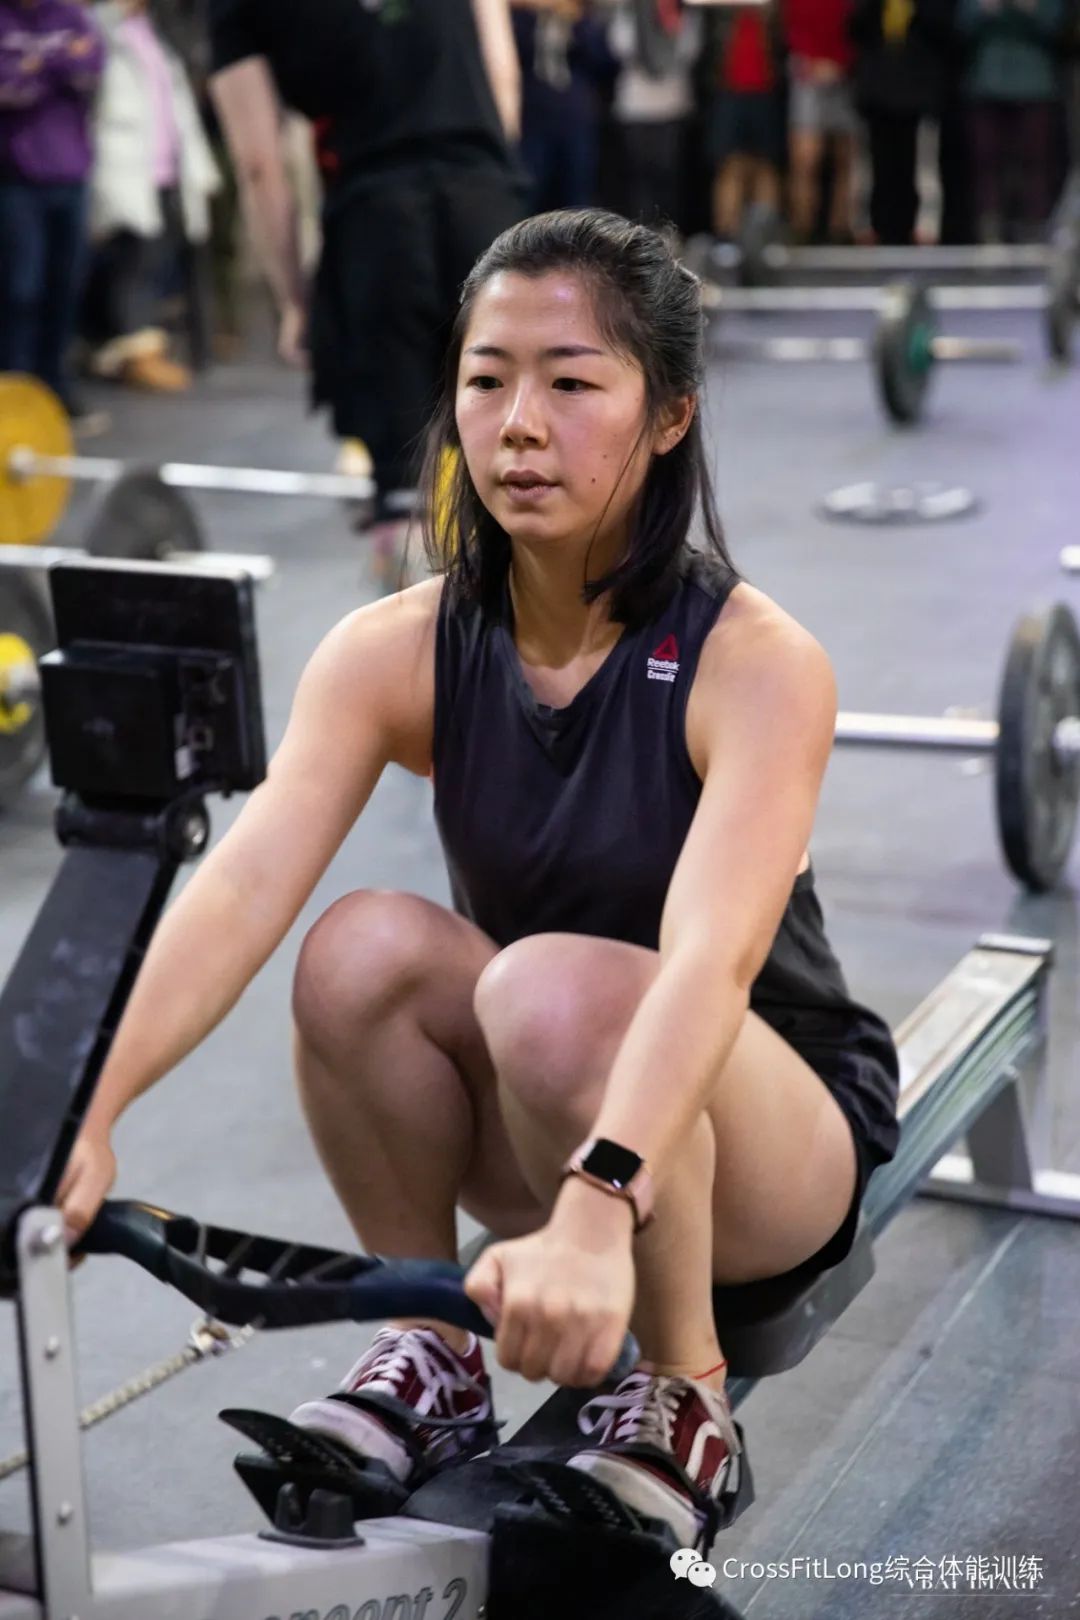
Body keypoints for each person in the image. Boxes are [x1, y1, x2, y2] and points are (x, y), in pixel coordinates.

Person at [58, 209, 900, 1556]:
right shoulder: (396, 649)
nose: (516, 424)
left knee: (554, 984)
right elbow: (245, 884)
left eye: (571, 383)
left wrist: (591, 1205)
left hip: (761, 1144)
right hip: (548, 1093)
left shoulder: (756, 663)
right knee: (358, 949)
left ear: (670, 413)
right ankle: (435, 1355)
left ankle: (685, 1391)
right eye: (487, 377)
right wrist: (76, 1116)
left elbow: (705, 965)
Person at [205, 0, 526, 586]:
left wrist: (297, 302)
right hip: (486, 211)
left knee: (404, 489)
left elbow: (259, 165)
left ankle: (417, 660)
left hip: (376, 234)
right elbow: (503, 77)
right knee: (521, 451)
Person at [82, 0, 220, 392]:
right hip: (126, 166)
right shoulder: (100, 28)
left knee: (156, 267)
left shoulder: (154, 32)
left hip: (166, 168)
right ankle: (131, 357)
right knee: (132, 269)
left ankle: (144, 351)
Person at [0, 0, 106, 432]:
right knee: (21, 290)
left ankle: (54, 388)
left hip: (70, 174)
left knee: (64, 286)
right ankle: (14, 391)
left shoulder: (72, 15)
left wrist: (35, 66)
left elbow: (91, 68)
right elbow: (9, 88)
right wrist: (59, 61)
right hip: (16, 177)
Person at [848, 0, 960, 245]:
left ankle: (926, 229)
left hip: (920, 93)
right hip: (879, 93)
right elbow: (854, 27)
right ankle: (880, 229)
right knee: (880, 168)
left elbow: (946, 29)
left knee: (924, 169)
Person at [957, 0, 1067, 242]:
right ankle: (990, 234)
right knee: (987, 163)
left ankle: (1034, 232)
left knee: (1035, 164)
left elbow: (1057, 24)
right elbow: (962, 23)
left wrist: (1029, 7)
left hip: (1035, 85)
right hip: (986, 83)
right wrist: (986, 8)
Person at [607, 0, 704, 234]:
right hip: (636, 106)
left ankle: (668, 234)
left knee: (669, 178)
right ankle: (639, 234)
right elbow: (619, 45)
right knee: (639, 178)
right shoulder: (630, 8)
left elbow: (690, 49)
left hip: (671, 106)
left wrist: (672, 30)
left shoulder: (684, 10)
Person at [704, 1, 785, 242]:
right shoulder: (720, 8)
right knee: (730, 165)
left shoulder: (774, 10)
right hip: (728, 91)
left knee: (766, 165)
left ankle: (765, 236)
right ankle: (726, 235)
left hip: (767, 91)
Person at [785, 0, 858, 243]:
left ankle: (840, 230)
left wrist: (844, 61)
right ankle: (803, 228)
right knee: (806, 158)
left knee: (845, 158)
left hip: (845, 72)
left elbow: (859, 25)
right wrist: (809, 62)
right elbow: (787, 24)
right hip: (806, 71)